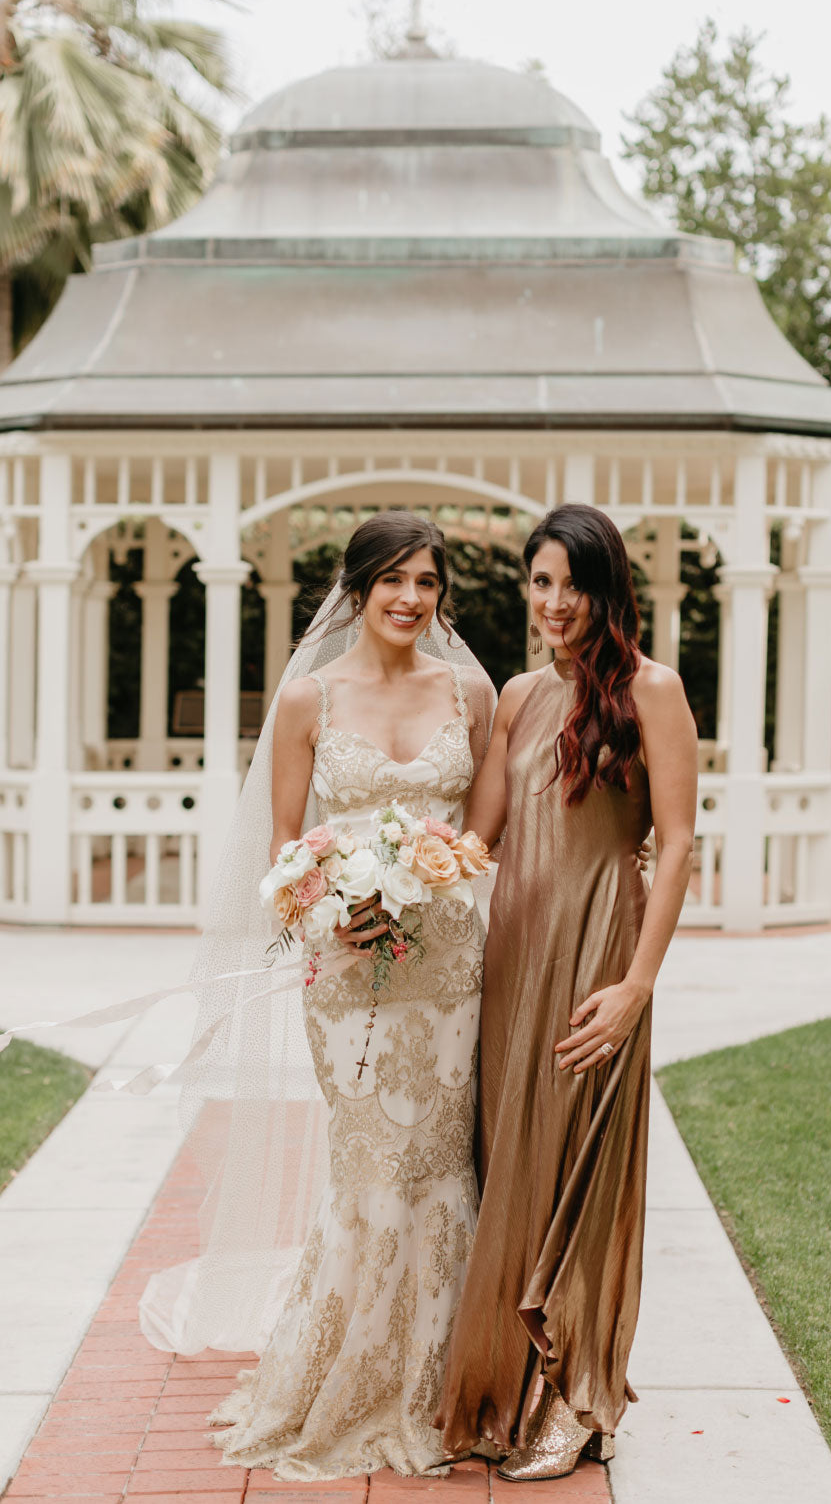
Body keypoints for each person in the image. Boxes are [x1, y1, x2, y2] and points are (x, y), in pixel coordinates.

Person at [206, 511, 497, 1480]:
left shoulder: (471, 692)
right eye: (395, 582)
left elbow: (483, 834)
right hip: (349, 971)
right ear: (359, 589)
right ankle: (345, 1378)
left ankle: (436, 1384)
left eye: (427, 583)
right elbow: (282, 863)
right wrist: (336, 912)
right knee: (371, 1171)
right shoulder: (307, 700)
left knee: (441, 1166)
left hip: (451, 968)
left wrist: (444, 871)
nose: (412, 600)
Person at [434, 503, 698, 1481]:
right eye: (538, 583)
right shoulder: (517, 695)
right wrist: (376, 880)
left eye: (571, 584)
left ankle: (581, 1400)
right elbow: (478, 838)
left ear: (607, 587)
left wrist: (637, 985)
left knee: (581, 1170)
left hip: (599, 958)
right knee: (514, 1164)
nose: (553, 603)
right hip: (514, 959)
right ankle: (524, 1385)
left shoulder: (654, 691)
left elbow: (674, 843)